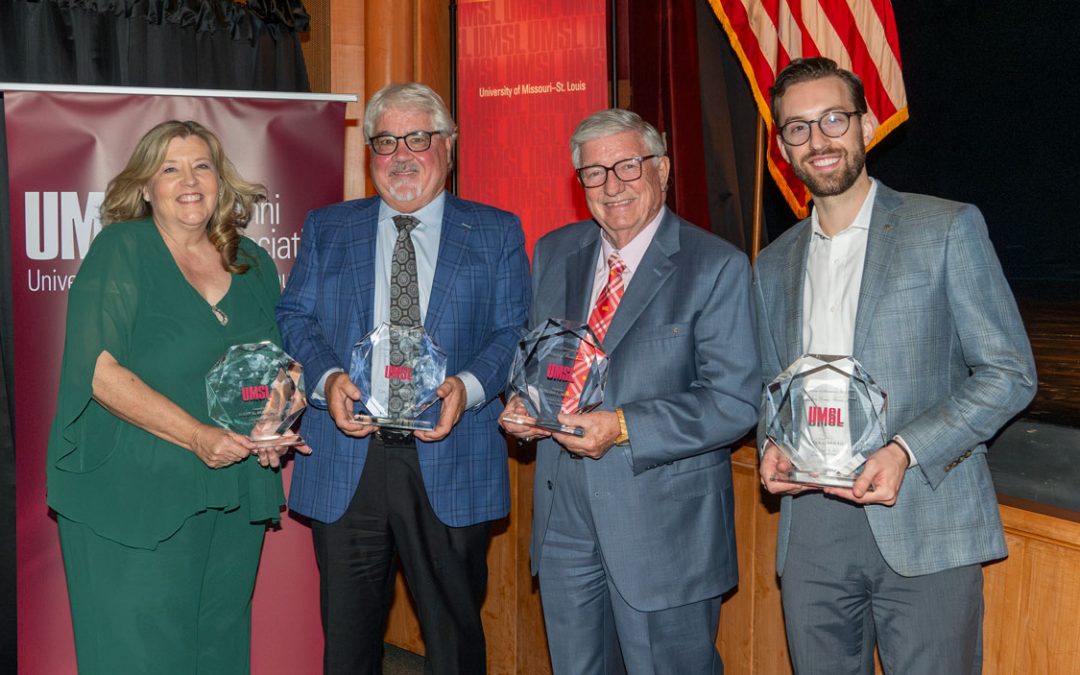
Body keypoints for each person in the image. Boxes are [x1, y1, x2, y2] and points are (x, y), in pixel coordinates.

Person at [754, 57, 1037, 674]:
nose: (818, 140)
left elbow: (1010, 372)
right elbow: (772, 389)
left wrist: (905, 449)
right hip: (812, 536)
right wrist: (771, 442)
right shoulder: (771, 265)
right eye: (797, 128)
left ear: (866, 124)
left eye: (833, 119)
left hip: (924, 517)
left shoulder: (946, 228)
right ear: (783, 146)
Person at [277, 82, 530, 675]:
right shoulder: (328, 227)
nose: (401, 155)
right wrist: (328, 377)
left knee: (453, 642)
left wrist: (465, 389)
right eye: (385, 141)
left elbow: (513, 330)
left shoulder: (495, 231)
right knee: (347, 643)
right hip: (348, 457)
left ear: (450, 146)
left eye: (418, 138)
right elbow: (295, 315)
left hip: (450, 454)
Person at [500, 109, 760, 674]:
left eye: (627, 166)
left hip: (663, 527)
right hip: (564, 516)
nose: (611, 185)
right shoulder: (553, 252)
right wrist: (523, 404)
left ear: (662, 169)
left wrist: (622, 426)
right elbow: (541, 358)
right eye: (594, 173)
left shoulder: (716, 266)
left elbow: (736, 400)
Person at [47, 120, 299, 674]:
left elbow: (278, 366)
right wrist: (198, 436)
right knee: (141, 656)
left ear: (220, 181)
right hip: (136, 492)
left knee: (219, 648)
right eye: (170, 168)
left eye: (202, 165)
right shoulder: (123, 248)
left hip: (234, 489)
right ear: (144, 187)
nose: (190, 180)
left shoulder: (252, 262)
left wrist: (274, 425)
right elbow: (100, 373)